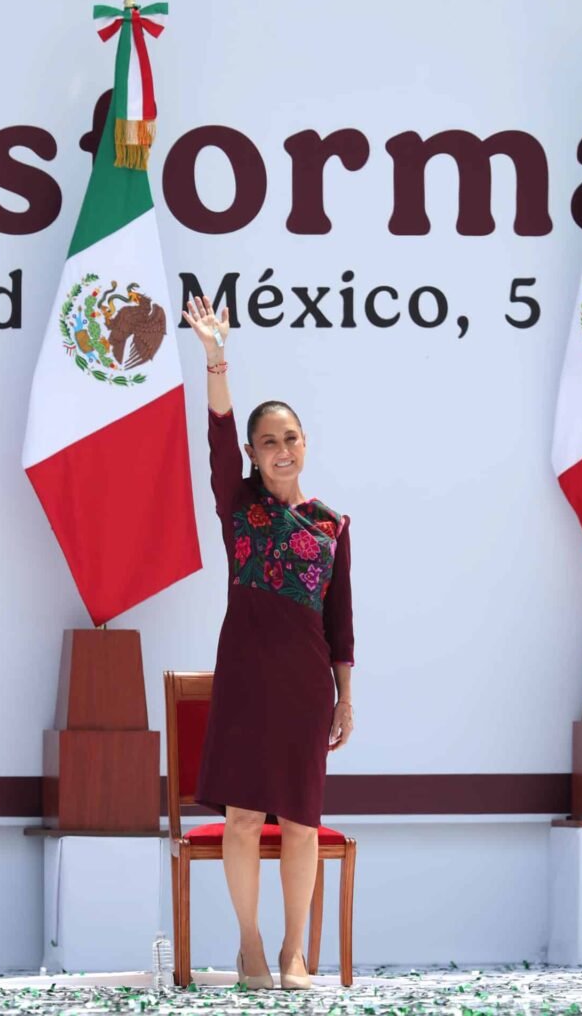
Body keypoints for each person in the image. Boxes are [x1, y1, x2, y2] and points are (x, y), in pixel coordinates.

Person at [181, 295, 355, 991]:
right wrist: (215, 358)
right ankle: (250, 946)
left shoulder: (331, 525)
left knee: (302, 822)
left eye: (292, 438)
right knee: (245, 818)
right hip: (246, 682)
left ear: (305, 444)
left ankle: (294, 952)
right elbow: (217, 436)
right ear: (253, 455)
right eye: (269, 442)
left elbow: (340, 622)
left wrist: (345, 698)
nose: (282, 450)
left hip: (307, 689)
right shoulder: (239, 506)